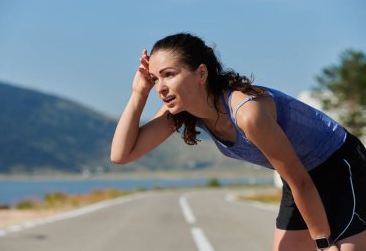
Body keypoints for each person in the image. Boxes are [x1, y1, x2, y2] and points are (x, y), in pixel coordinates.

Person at [110, 32, 366, 251]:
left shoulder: (247, 113)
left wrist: (322, 242)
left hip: (341, 167)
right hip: (298, 179)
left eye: (168, 75)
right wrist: (137, 94)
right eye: (155, 78)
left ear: (201, 73)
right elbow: (121, 155)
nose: (160, 87)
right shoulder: (183, 112)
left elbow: (300, 180)